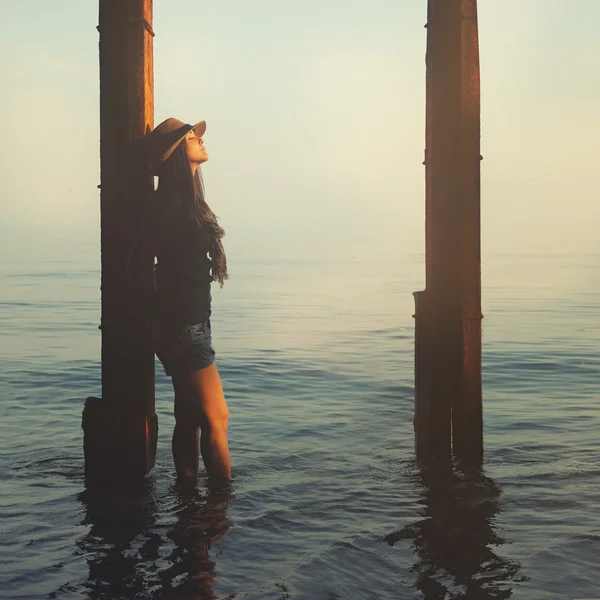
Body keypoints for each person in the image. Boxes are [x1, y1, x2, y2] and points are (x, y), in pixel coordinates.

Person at [127, 117, 231, 481]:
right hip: (184, 325)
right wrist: (163, 312)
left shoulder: (187, 198)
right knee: (217, 418)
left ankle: (187, 501)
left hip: (190, 322)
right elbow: (139, 259)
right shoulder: (170, 200)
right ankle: (221, 508)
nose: (200, 141)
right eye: (191, 137)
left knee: (189, 417)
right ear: (175, 153)